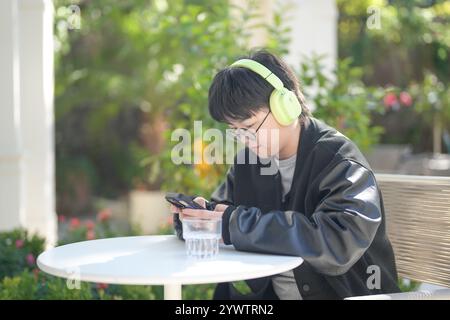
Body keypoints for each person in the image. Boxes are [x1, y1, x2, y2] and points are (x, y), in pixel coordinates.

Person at [170, 49, 400, 300]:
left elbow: (338, 242)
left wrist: (234, 224)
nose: (244, 139)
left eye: (248, 126)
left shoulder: (339, 160)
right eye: (234, 130)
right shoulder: (249, 163)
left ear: (285, 105)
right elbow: (229, 213)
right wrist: (199, 220)